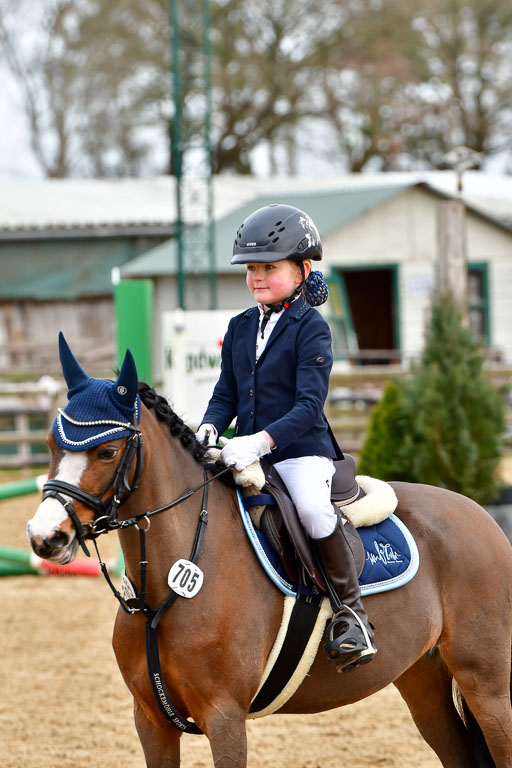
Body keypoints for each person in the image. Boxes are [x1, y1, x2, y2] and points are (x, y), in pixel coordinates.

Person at [196, 203, 376, 671]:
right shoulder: (238, 328)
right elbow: (225, 395)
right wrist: (210, 426)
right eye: (251, 269)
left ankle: (352, 613)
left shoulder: (312, 328)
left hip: (301, 453)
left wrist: (257, 442)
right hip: (246, 452)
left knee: (315, 512)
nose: (256, 277)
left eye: (268, 268)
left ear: (302, 270)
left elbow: (308, 407)